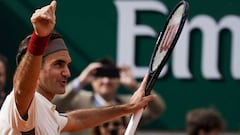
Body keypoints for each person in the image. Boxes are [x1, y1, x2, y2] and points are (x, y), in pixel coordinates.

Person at [0, 1, 156, 134]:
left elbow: (77, 119)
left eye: (67, 65)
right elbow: (22, 90)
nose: (67, 73)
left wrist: (127, 108)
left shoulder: (50, 114)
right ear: (36, 68)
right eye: (58, 64)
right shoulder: (19, 103)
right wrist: (39, 38)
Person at [53, 57, 166, 135]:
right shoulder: (77, 100)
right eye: (101, 75)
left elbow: (157, 108)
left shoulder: (130, 103)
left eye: (111, 75)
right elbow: (54, 105)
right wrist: (80, 82)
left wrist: (135, 85)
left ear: (118, 79)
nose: (106, 80)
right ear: (91, 78)